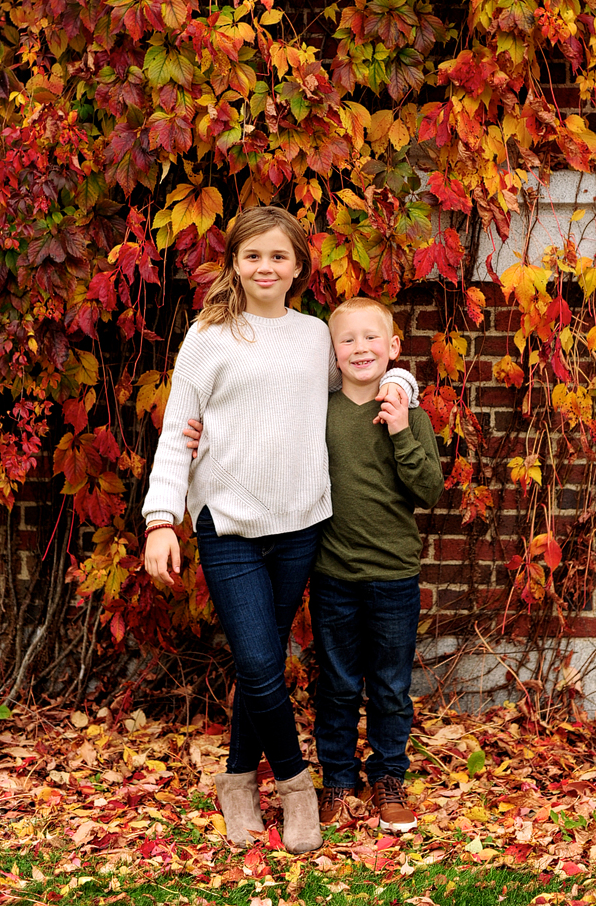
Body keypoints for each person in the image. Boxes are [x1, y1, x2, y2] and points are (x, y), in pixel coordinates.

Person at [141, 206, 417, 854]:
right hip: (228, 524)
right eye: (252, 255)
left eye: (279, 256)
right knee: (262, 661)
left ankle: (237, 780)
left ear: (298, 266)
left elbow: (366, 371)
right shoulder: (209, 337)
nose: (265, 267)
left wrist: (400, 381)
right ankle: (293, 782)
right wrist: (161, 519)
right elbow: (178, 434)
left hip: (299, 525)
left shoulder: (315, 336)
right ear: (235, 262)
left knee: (262, 662)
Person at [312, 297, 443, 834]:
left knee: (389, 686)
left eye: (373, 338)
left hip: (394, 575)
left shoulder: (410, 415)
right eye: (348, 339)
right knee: (337, 685)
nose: (360, 347)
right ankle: (339, 781)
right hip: (333, 574)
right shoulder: (319, 411)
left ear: (393, 348)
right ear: (332, 352)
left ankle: (389, 777)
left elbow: (429, 490)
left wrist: (400, 430)